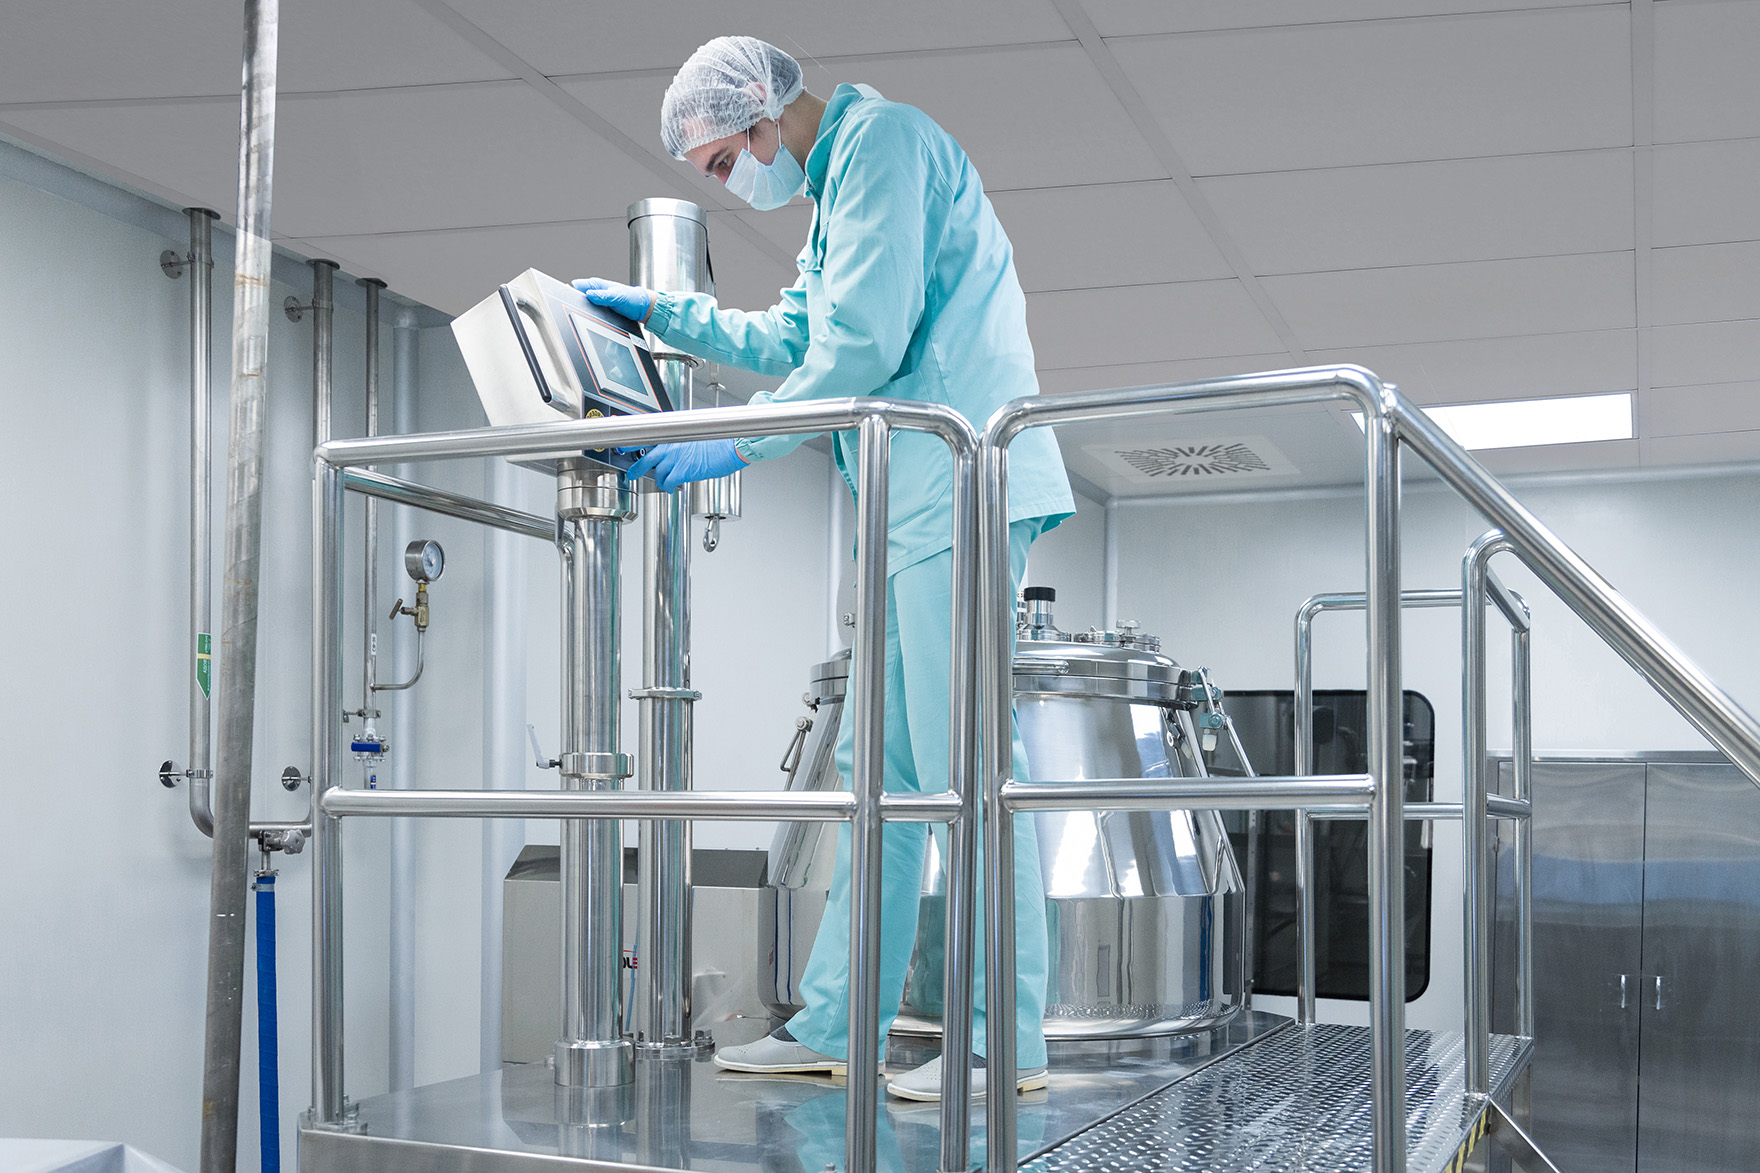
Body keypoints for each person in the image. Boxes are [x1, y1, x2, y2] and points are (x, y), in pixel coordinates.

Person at [572, 35, 1073, 1103]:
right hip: (903, 499)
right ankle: (839, 1021)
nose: (730, 182)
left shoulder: (885, 146)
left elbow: (861, 347)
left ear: (761, 118)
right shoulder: (835, 193)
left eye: (722, 162)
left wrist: (733, 442)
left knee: (967, 769)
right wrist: (666, 314)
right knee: (877, 782)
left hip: (957, 486)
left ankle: (1003, 1042)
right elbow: (798, 330)